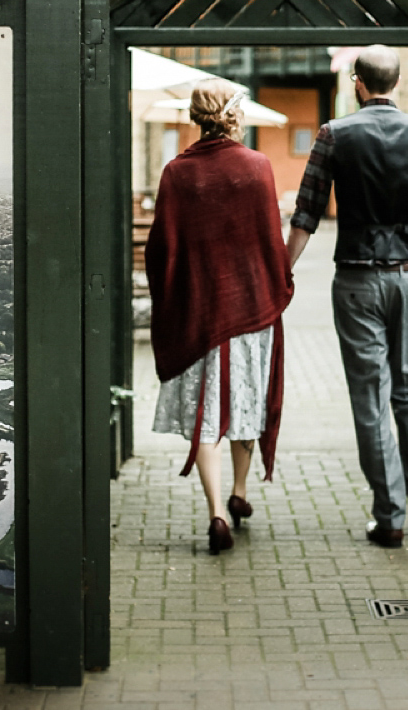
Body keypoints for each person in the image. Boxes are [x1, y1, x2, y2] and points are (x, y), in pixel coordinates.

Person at [286, 45, 408, 549]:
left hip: (358, 277)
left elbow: (307, 212)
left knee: (371, 400)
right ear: (396, 83)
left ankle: (390, 517)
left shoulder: (335, 134)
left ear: (357, 82)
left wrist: (282, 271)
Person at [146, 78, 295, 555]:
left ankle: (215, 514)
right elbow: (271, 242)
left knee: (205, 418)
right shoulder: (258, 168)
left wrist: (171, 301)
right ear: (234, 116)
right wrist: (278, 288)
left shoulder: (176, 173)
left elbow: (161, 248)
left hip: (198, 316)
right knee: (246, 410)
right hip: (251, 313)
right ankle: (240, 493)